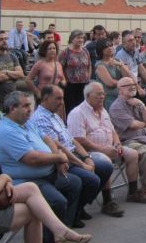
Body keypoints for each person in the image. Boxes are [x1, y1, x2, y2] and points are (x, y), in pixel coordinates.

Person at [0, 109, 92, 242]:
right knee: (33, 211)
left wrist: (4, 181)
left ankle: (60, 231)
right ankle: (61, 231)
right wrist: (5, 178)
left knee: (31, 188)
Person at [0, 91, 82, 243]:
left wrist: (58, 160)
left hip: (47, 173)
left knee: (75, 183)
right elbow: (31, 159)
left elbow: (48, 139)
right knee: (58, 201)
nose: (30, 109)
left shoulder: (26, 122)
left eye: (30, 105)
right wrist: (59, 157)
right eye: (26, 106)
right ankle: (53, 236)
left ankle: (63, 227)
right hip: (26, 180)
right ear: (12, 108)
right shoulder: (7, 131)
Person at [30, 85, 122, 219]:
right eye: (58, 98)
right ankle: (73, 213)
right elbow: (59, 147)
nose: (62, 102)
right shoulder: (41, 118)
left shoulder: (54, 116)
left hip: (75, 154)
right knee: (91, 179)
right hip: (64, 160)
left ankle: (78, 207)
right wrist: (82, 163)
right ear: (45, 98)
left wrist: (86, 156)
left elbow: (72, 140)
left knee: (105, 167)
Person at [67, 82, 146, 204]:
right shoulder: (77, 113)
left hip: (110, 147)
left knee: (133, 154)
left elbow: (113, 131)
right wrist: (102, 149)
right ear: (89, 95)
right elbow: (79, 140)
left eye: (103, 94)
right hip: (90, 152)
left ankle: (133, 193)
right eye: (99, 94)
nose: (102, 97)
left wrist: (117, 144)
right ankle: (108, 201)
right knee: (105, 160)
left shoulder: (103, 111)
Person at [109, 77, 146, 201]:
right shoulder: (116, 107)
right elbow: (133, 125)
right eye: (128, 85)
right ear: (120, 90)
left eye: (134, 84)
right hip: (128, 141)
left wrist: (141, 105)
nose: (133, 86)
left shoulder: (136, 102)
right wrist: (144, 124)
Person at [0, 30, 25, 111]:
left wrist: (7, 72)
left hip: (13, 100)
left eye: (6, 39)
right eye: (1, 39)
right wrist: (14, 75)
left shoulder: (13, 56)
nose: (4, 41)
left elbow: (21, 74)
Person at [94, 38, 133, 111]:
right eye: (106, 46)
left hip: (123, 96)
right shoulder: (100, 65)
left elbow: (129, 77)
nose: (110, 48)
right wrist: (125, 83)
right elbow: (110, 83)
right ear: (100, 50)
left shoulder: (117, 60)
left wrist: (120, 65)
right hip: (109, 98)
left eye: (111, 46)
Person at [58, 30, 92, 115]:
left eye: (82, 38)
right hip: (70, 84)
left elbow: (89, 65)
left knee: (82, 106)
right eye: (78, 38)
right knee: (71, 107)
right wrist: (63, 80)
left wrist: (88, 77)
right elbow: (60, 68)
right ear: (72, 39)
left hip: (83, 83)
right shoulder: (66, 52)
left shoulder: (85, 51)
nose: (80, 40)